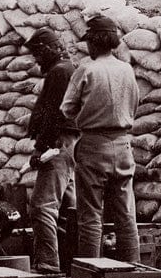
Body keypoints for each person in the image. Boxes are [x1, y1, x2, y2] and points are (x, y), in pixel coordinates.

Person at [60, 15, 140, 262]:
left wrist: (89, 113)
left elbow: (67, 109)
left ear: (94, 42)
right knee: (126, 214)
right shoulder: (127, 69)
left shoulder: (86, 69)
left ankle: (91, 272)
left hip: (94, 146)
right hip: (123, 145)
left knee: (91, 215)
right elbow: (135, 104)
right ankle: (135, 269)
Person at [23, 29, 79, 275]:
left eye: (38, 53)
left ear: (49, 49)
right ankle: (69, 261)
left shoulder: (59, 72)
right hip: (68, 143)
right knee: (67, 206)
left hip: (58, 143)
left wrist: (41, 148)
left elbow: (53, 115)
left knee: (41, 205)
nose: (36, 59)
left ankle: (47, 263)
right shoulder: (68, 69)